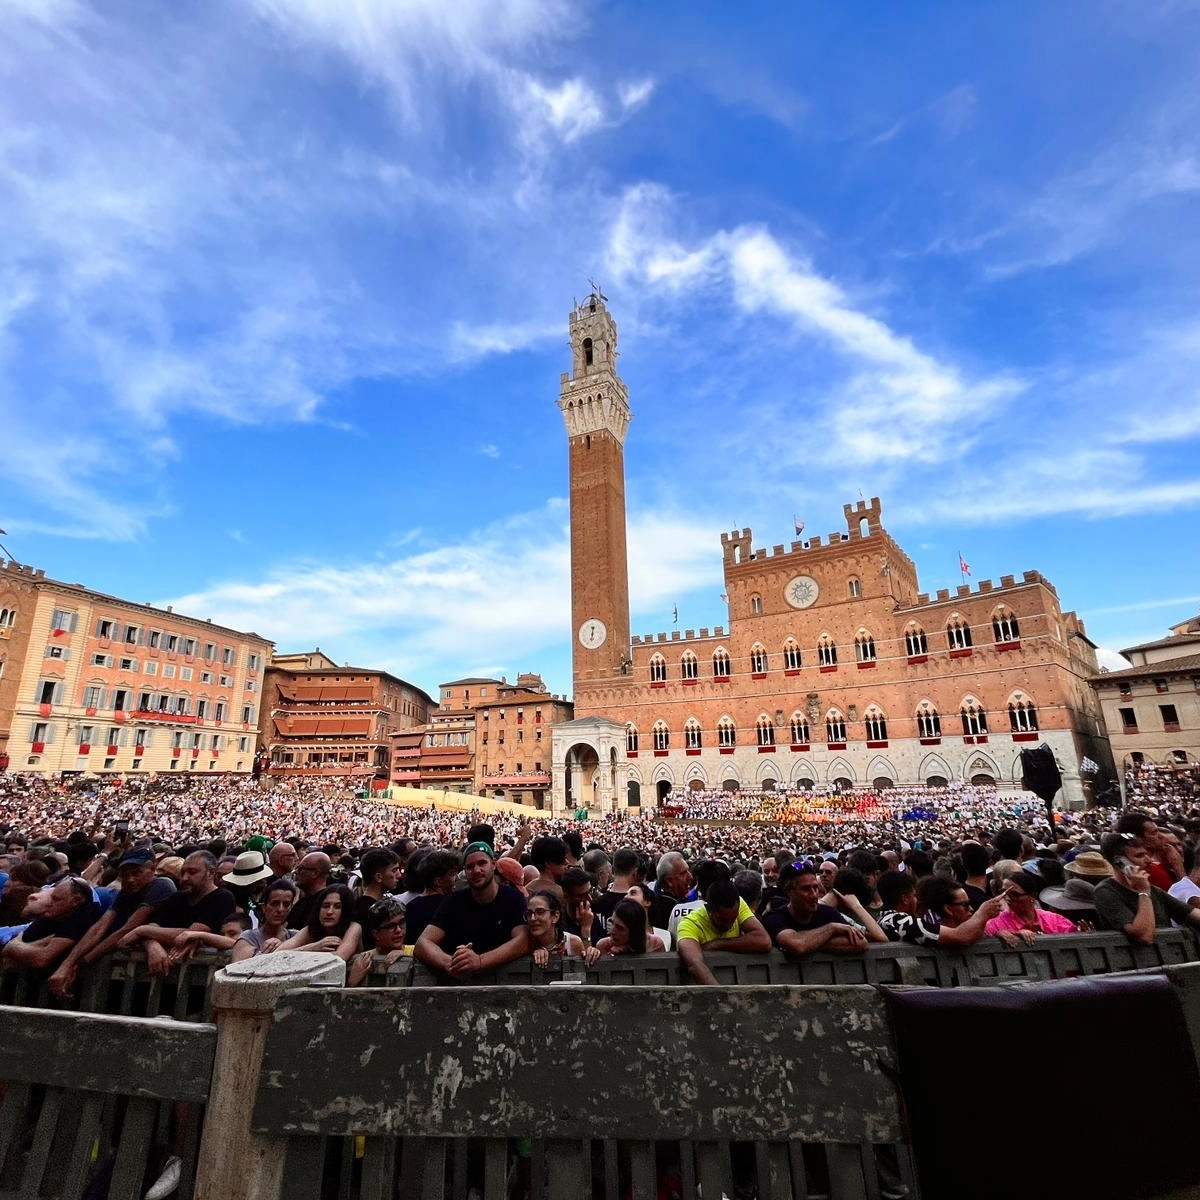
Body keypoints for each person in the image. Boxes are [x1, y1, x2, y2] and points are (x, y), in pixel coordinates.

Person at [48, 846, 177, 997]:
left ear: (152, 867)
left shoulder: (162, 885)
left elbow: (128, 929)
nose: (130, 879)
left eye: (136, 873)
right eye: (126, 875)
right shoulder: (127, 891)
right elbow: (101, 926)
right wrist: (69, 963)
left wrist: (81, 962)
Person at [414, 841, 528, 979]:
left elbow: (523, 941)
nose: (476, 870)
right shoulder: (454, 901)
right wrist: (450, 964)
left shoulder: (513, 898)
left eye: (482, 863)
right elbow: (423, 943)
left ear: (493, 864)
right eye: (470, 866)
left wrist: (479, 961)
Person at [118, 851, 236, 976]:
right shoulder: (177, 897)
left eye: (192, 872)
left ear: (211, 873)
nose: (185, 878)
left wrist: (141, 931)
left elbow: (189, 935)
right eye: (183, 872)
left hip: (200, 976)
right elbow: (154, 925)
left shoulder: (223, 897)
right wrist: (152, 944)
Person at [1093, 833, 1200, 945]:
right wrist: (1143, 892)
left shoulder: (1154, 891)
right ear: (1120, 862)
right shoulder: (1106, 891)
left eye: (1147, 854)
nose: (1148, 860)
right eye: (1140, 856)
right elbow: (1144, 936)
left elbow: (1191, 913)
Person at [763, 861, 868, 958]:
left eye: (815, 887)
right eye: (805, 889)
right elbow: (797, 945)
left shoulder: (828, 913)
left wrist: (810, 943)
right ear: (789, 891)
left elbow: (860, 942)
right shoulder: (775, 917)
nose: (813, 895)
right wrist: (831, 929)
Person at [677, 879, 771, 986]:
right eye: (723, 920)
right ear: (708, 909)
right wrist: (722, 995)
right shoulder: (689, 924)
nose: (729, 925)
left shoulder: (739, 904)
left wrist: (716, 944)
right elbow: (695, 964)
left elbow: (764, 941)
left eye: (734, 919)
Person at [2, 876, 101, 971]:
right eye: (52, 897)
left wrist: (13, 947)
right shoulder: (53, 912)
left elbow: (41, 959)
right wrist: (18, 947)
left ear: (75, 901)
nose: (49, 903)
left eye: (56, 899)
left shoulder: (84, 916)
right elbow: (8, 957)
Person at [984, 873, 1078, 946]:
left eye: (1015, 895)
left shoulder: (1054, 920)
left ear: (1032, 896)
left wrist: (1086, 933)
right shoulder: (995, 923)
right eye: (1004, 893)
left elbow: (1076, 939)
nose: (1008, 899)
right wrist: (997, 936)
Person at [278, 883, 362, 960]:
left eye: (337, 907)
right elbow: (277, 954)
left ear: (345, 911)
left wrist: (305, 951)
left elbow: (339, 957)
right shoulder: (311, 929)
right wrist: (311, 947)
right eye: (325, 906)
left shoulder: (353, 927)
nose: (329, 912)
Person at [402, 849, 461, 945]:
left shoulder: (409, 907)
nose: (457, 878)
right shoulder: (451, 905)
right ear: (438, 881)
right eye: (452, 874)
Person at [230, 878, 298, 961]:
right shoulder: (249, 937)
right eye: (274, 904)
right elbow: (238, 965)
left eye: (286, 905)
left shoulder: (295, 936)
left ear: (291, 908)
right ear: (264, 907)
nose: (280, 909)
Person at [525, 892, 599, 965]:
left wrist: (591, 953)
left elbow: (584, 969)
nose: (532, 918)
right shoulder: (524, 943)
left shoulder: (571, 942)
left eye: (540, 912)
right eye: (529, 913)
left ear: (555, 916)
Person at [347, 897, 409, 985]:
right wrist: (352, 983)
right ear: (375, 933)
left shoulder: (417, 952)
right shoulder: (363, 960)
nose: (398, 930)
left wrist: (408, 957)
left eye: (401, 923)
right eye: (391, 926)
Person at [352, 848, 401, 949]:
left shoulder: (359, 904)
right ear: (379, 877)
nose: (399, 875)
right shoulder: (368, 910)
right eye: (394, 870)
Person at [288, 851, 333, 928]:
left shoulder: (325, 905)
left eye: (301, 869)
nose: (295, 872)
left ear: (315, 873)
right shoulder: (302, 902)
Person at [650, 851, 693, 930]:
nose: (690, 877)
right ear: (669, 881)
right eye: (683, 873)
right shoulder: (660, 910)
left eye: (688, 871)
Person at [624, 884, 669, 950]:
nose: (626, 897)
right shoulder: (620, 937)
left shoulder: (665, 935)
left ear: (647, 901)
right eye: (626, 894)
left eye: (633, 893)